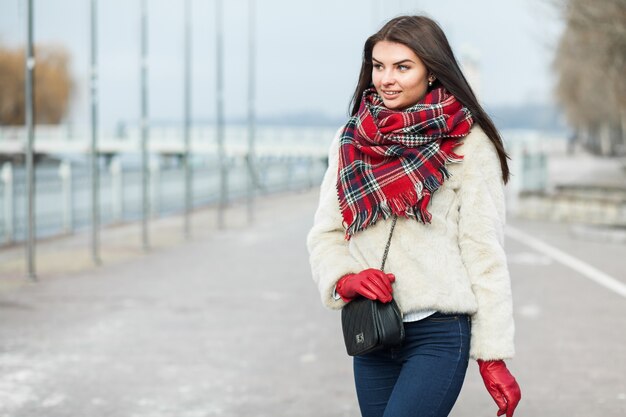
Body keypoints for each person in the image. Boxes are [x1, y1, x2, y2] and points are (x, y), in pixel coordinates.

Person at [306, 15, 522, 417]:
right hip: (373, 332)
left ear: (432, 72)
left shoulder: (469, 144)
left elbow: (484, 252)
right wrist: (346, 278)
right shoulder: (350, 139)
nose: (386, 78)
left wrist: (492, 355)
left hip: (439, 336)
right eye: (378, 65)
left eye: (402, 67)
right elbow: (327, 232)